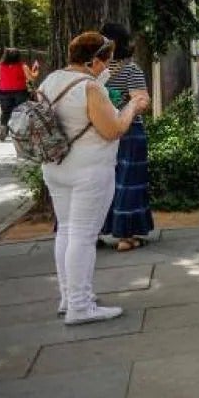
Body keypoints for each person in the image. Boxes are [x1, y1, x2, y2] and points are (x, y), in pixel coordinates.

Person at [39, 31, 149, 324]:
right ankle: (80, 305)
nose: (107, 67)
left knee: (66, 230)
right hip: (89, 170)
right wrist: (132, 106)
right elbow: (112, 129)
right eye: (106, 61)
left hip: (56, 166)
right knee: (84, 236)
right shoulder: (90, 88)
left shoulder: (51, 81)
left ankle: (68, 297)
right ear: (94, 60)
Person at [97, 22, 154, 252]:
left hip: (99, 132)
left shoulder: (94, 70)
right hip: (129, 132)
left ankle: (94, 232)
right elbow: (141, 101)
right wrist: (125, 108)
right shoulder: (130, 70)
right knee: (128, 181)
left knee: (100, 183)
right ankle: (126, 236)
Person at [0, 48, 38, 141]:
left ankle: (3, 129)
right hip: (19, 91)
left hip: (3, 91)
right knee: (21, 112)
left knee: (5, 112)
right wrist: (35, 70)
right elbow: (32, 78)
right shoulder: (23, 66)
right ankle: (20, 131)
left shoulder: (0, 66)